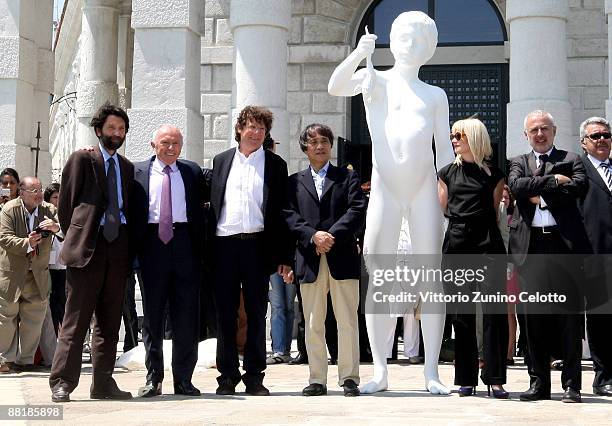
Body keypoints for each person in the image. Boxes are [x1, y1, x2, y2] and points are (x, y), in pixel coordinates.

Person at [328, 11, 455, 394]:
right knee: (379, 281)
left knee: (431, 280)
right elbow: (336, 86)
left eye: (420, 39)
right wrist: (357, 53)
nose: (410, 45)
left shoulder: (435, 95)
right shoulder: (373, 79)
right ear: (390, 40)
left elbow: (445, 153)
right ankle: (380, 370)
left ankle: (430, 371)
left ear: (430, 48)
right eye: (403, 36)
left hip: (422, 190)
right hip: (385, 188)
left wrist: (450, 202)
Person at [49, 103, 134, 403]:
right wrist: (79, 235)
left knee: (110, 322)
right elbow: (66, 206)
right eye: (111, 128)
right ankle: (62, 382)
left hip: (118, 248)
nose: (116, 133)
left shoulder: (126, 167)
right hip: (88, 248)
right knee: (76, 319)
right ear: (99, 130)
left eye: (121, 129)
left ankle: (103, 383)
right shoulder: (82, 159)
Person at [209, 105, 292, 396]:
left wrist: (284, 257)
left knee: (257, 313)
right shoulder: (220, 161)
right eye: (251, 127)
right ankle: (227, 377)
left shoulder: (276, 165)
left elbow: (283, 213)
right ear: (240, 129)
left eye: (262, 129)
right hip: (224, 245)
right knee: (225, 315)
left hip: (258, 246)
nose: (256, 133)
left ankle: (255, 376)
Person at [508, 110, 590, 403]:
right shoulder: (518, 161)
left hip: (563, 246)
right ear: (526, 135)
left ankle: (572, 385)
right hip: (531, 250)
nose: (539, 134)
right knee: (533, 320)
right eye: (534, 130)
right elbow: (516, 187)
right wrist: (555, 181)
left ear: (554, 131)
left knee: (569, 319)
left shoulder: (572, 159)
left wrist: (539, 191)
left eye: (544, 128)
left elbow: (579, 187)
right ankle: (538, 383)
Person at [283, 123, 366, 397]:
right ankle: (317, 378)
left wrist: (330, 236)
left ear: (331, 146)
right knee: (312, 321)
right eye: (314, 142)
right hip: (309, 258)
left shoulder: (348, 177)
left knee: (347, 320)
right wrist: (312, 236)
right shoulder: (294, 182)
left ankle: (349, 377)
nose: (320, 146)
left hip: (341, 256)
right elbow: (289, 215)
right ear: (305, 147)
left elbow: (357, 209)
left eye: (325, 141)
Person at [132, 125, 207, 397]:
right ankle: (154, 378)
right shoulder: (136, 171)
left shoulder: (192, 171)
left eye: (176, 143)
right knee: (152, 315)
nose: (171, 148)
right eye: (166, 142)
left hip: (185, 244)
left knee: (186, 315)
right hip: (152, 246)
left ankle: (184, 379)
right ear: (153, 144)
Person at [437, 118, 509, 398]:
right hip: (457, 244)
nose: (454, 139)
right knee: (461, 315)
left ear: (475, 138)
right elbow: (444, 208)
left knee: (494, 314)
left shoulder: (495, 174)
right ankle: (465, 378)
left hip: (488, 243)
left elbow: (494, 211)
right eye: (452, 135)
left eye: (459, 135)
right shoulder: (445, 173)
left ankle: (495, 378)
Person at [0, 177, 60, 373]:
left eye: (40, 189)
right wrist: (27, 243)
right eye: (34, 190)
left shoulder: (48, 210)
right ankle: (5, 360)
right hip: (12, 274)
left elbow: (65, 228)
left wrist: (56, 227)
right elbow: (4, 237)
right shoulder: (9, 209)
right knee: (6, 318)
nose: (39, 194)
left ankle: (25, 360)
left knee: (34, 319)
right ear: (22, 192)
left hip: (38, 274)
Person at [577, 116, 612, 397]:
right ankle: (603, 377)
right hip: (594, 254)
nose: (602, 140)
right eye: (595, 136)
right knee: (600, 318)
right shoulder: (579, 170)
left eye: (606, 135)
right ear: (584, 143)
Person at [264, 135, 297, 365]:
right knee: (279, 305)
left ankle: (284, 348)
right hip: (274, 257)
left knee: (288, 305)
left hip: (292, 257)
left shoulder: (289, 191)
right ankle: (279, 348)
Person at [44, 183, 66, 335]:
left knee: (65, 304)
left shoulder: (68, 214)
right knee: (52, 305)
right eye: (54, 197)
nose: (57, 201)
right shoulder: (45, 215)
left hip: (65, 267)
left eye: (60, 197)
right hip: (49, 267)